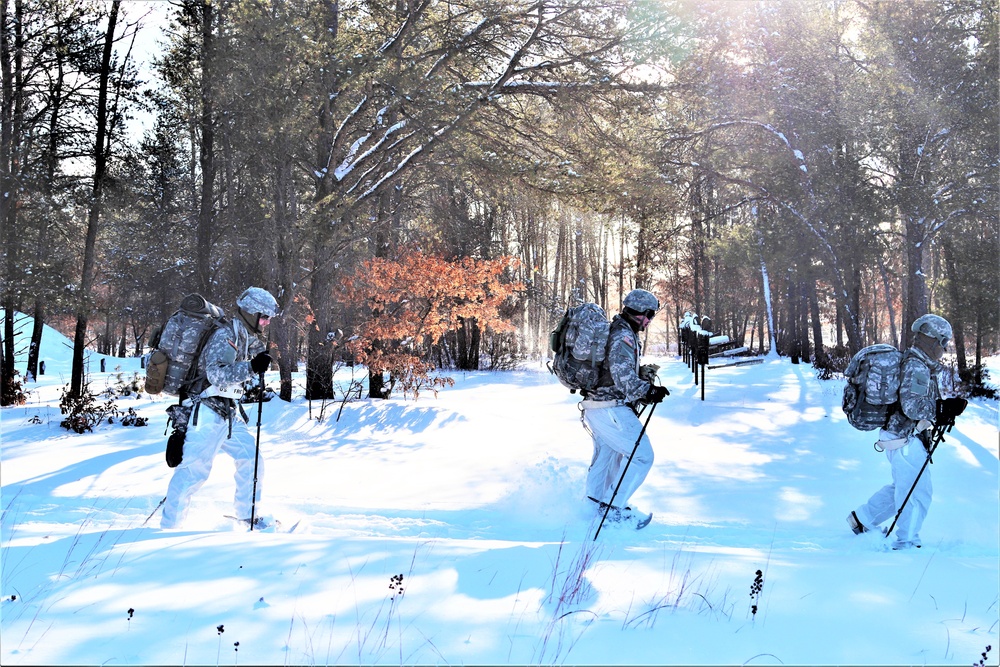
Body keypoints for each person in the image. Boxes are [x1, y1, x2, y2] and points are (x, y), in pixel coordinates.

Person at [161, 287, 279, 529]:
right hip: (205, 411)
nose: (266, 323)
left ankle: (248, 517)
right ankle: (169, 527)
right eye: (264, 317)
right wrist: (251, 367)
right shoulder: (225, 335)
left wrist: (259, 361)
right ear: (250, 313)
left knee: (251, 459)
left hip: (227, 411)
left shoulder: (243, 336)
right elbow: (216, 374)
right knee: (194, 472)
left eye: (268, 318)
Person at [847, 313, 953, 549]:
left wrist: (941, 408)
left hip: (901, 437)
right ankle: (907, 543)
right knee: (917, 493)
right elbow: (913, 406)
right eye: (943, 342)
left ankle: (862, 519)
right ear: (931, 340)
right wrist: (942, 407)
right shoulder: (916, 366)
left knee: (905, 487)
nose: (944, 348)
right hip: (904, 439)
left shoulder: (919, 363)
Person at [580, 288, 668, 526]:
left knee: (607, 458)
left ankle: (591, 509)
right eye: (648, 314)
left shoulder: (618, 332)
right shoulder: (623, 337)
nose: (649, 320)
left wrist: (641, 378)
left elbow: (616, 371)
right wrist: (648, 391)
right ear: (637, 311)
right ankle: (611, 511)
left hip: (597, 407)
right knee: (641, 457)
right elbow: (623, 378)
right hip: (610, 408)